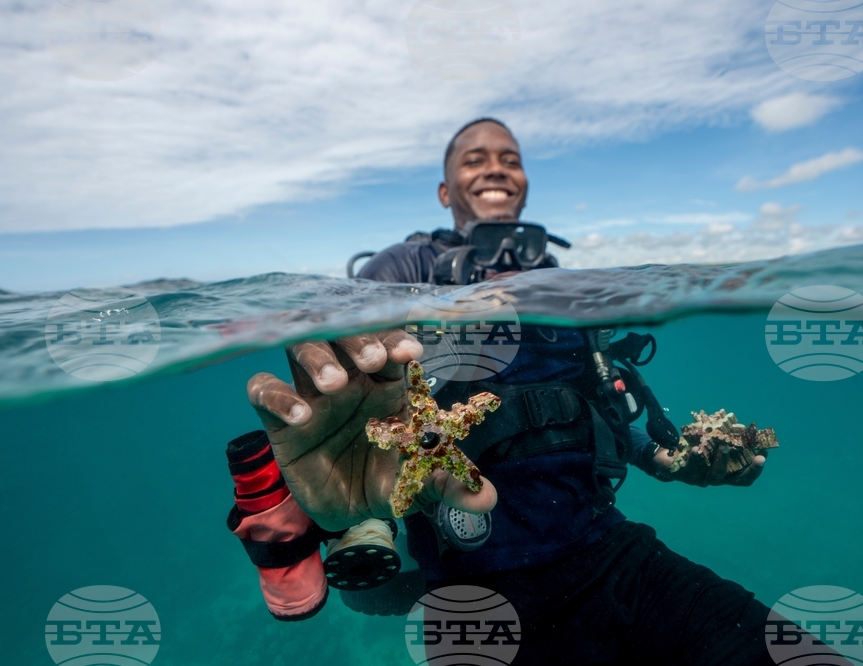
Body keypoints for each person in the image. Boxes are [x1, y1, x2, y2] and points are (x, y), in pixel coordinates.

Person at [238, 119, 778, 665]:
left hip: (608, 549)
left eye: (510, 159)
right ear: (445, 192)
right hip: (470, 587)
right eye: (474, 159)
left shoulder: (560, 284)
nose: (495, 167)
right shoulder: (404, 267)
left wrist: (666, 459)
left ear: (524, 182)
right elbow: (352, 361)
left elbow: (595, 406)